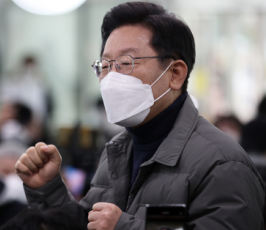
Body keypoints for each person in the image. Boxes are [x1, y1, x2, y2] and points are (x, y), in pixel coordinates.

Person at [15, 2, 265, 230]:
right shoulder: (117, 151)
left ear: (175, 74)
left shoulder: (222, 164)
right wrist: (48, 189)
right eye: (105, 66)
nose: (111, 78)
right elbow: (92, 223)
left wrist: (125, 227)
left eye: (126, 63)